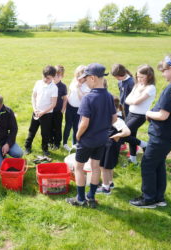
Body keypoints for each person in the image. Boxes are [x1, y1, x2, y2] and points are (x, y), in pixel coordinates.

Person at [130, 54, 171, 208]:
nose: (163, 74)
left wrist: (148, 113)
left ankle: (148, 199)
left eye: (164, 70)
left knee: (148, 164)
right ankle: (158, 197)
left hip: (162, 135)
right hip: (169, 135)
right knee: (158, 164)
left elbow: (162, 115)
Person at [65, 63, 117, 208]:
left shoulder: (88, 98)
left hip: (87, 140)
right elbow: (114, 119)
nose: (85, 81)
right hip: (102, 139)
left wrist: (78, 136)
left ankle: (80, 199)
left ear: (93, 78)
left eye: (86, 78)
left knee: (79, 167)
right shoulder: (109, 96)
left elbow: (84, 123)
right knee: (95, 167)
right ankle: (91, 198)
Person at [96, 96, 131, 195]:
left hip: (109, 146)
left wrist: (117, 135)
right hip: (110, 146)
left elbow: (127, 131)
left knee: (104, 167)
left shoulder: (117, 120)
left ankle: (105, 188)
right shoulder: (113, 117)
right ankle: (110, 183)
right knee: (109, 166)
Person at [123, 65, 156, 164]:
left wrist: (133, 100)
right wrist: (134, 100)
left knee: (123, 134)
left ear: (149, 76)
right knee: (132, 135)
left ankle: (144, 145)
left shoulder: (151, 88)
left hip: (139, 116)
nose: (139, 79)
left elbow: (137, 101)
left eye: (142, 77)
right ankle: (133, 159)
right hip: (130, 114)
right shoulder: (137, 85)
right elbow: (127, 100)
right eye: (138, 77)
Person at [24, 65, 58, 156]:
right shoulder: (38, 83)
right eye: (44, 77)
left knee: (45, 133)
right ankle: (27, 147)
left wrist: (43, 112)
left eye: (48, 78)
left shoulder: (54, 88)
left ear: (53, 77)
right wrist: (35, 109)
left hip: (46, 114)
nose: (45, 79)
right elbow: (33, 96)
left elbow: (53, 104)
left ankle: (45, 149)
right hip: (36, 112)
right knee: (32, 130)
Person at [63, 65, 91, 152]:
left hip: (79, 109)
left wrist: (79, 87)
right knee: (68, 125)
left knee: (76, 126)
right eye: (77, 76)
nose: (78, 79)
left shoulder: (87, 85)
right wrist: (65, 104)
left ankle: (74, 143)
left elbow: (82, 99)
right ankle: (65, 143)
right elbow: (70, 92)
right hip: (69, 106)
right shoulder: (74, 80)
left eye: (80, 77)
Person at [49, 65, 67, 150]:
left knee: (57, 128)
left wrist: (62, 110)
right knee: (49, 127)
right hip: (49, 110)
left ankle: (57, 143)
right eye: (54, 75)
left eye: (58, 76)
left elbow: (65, 99)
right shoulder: (49, 85)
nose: (56, 77)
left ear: (62, 76)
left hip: (58, 111)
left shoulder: (63, 86)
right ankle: (50, 141)